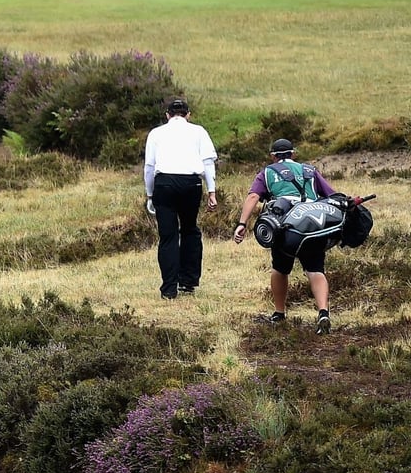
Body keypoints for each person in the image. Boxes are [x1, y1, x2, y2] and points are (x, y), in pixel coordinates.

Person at [232, 138, 338, 334]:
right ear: (293, 154)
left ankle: (279, 313)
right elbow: (332, 195)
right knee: (315, 269)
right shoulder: (309, 170)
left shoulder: (268, 172)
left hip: (287, 227)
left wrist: (242, 224)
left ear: (273, 156)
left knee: (280, 269)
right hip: (314, 223)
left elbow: (254, 196)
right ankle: (323, 311)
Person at [143, 97, 218, 299]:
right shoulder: (199, 131)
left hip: (164, 183)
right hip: (191, 183)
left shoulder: (156, 133)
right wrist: (212, 191)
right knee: (190, 230)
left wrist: (150, 194)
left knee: (168, 236)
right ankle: (188, 281)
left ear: (167, 115)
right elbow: (208, 163)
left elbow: (149, 167)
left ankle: (169, 288)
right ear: (188, 115)